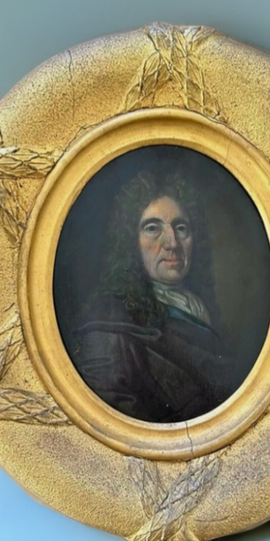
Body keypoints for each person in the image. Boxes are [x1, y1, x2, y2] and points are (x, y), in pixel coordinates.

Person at [70, 165, 243, 422]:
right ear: (130, 242)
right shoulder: (109, 325)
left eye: (181, 228)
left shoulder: (201, 310)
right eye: (153, 228)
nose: (172, 242)